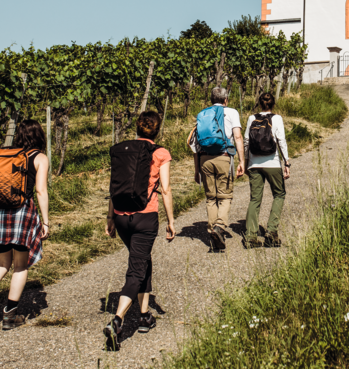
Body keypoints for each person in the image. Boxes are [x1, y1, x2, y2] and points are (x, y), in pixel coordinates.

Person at [103, 111, 175, 351]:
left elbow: (114, 186)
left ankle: (144, 316)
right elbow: (166, 189)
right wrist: (171, 220)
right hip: (145, 217)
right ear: (157, 130)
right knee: (136, 269)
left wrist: (110, 217)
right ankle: (117, 320)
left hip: (121, 217)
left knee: (143, 260)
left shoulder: (122, 150)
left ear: (137, 128)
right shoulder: (160, 153)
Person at [0, 120, 50, 332]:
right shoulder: (39, 158)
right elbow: (40, 190)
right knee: (20, 266)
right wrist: (45, 221)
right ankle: (10, 315)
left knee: (1, 264)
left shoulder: (5, 156)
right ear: (39, 136)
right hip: (22, 213)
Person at [192, 86, 245, 252]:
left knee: (210, 198)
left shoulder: (203, 114)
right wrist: (242, 160)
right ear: (226, 100)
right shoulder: (232, 112)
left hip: (204, 159)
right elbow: (237, 136)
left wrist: (196, 169)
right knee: (225, 196)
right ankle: (219, 227)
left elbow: (195, 144)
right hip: (224, 157)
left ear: (211, 100)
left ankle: (212, 232)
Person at [243, 92, 290, 248]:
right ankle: (271, 232)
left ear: (259, 103)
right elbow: (281, 140)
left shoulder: (252, 118)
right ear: (273, 104)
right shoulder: (277, 118)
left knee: (255, 199)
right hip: (272, 163)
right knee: (279, 194)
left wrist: (246, 162)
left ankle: (250, 237)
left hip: (254, 164)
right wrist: (287, 162)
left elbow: (246, 141)